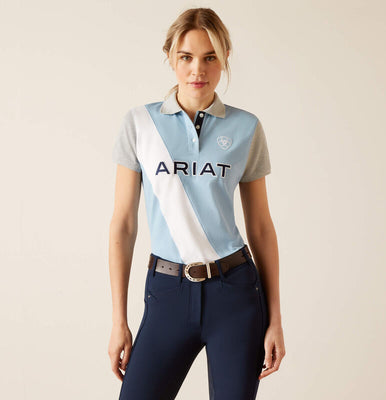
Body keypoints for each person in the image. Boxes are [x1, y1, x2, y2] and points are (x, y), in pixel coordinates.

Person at [108, 7, 285, 400]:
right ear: (170, 57)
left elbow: (260, 227)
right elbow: (123, 224)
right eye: (186, 57)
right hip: (167, 293)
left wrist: (275, 318)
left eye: (210, 57)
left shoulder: (246, 127)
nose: (197, 70)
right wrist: (119, 319)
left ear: (224, 59)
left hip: (235, 294)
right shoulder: (139, 125)